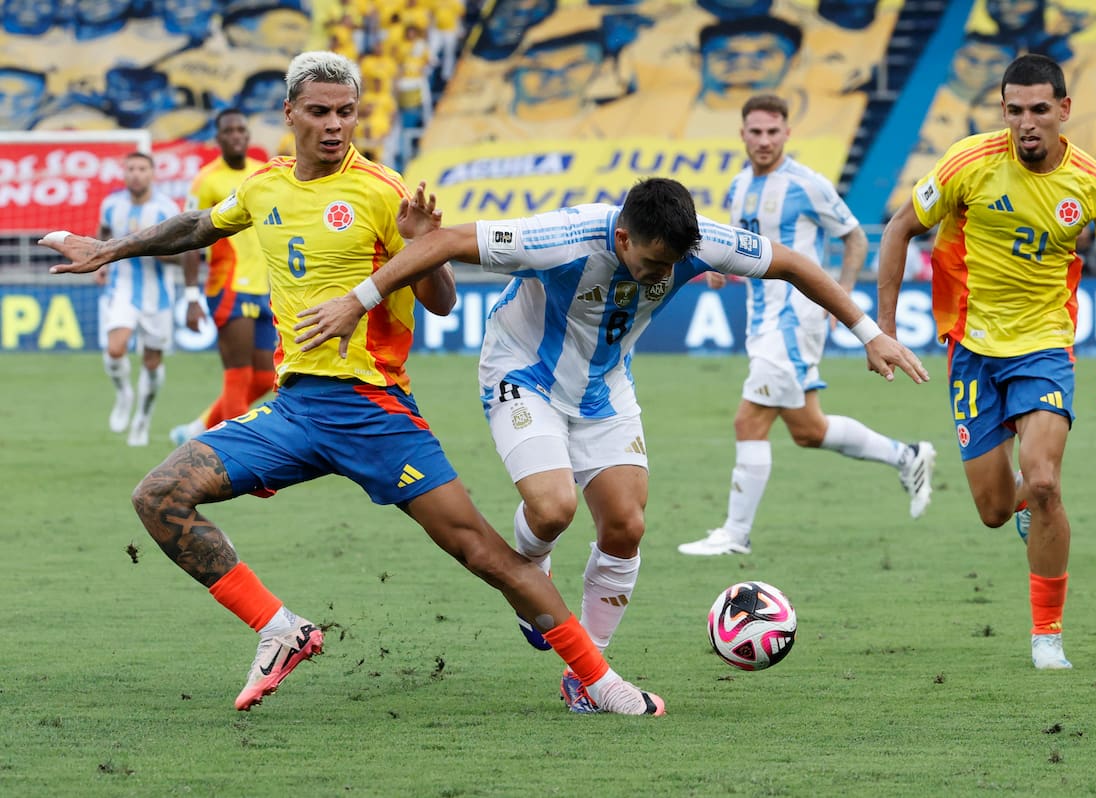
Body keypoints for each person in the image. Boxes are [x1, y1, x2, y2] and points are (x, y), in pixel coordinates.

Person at [40, 50, 665, 718]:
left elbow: (443, 300)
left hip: (376, 413)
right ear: (289, 114)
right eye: (319, 112)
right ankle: (279, 628)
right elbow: (200, 224)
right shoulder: (265, 185)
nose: (335, 125)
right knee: (159, 496)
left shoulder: (381, 190)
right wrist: (110, 247)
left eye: (346, 112)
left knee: (481, 552)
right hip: (294, 410)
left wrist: (424, 242)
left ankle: (599, 681)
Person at [292, 176, 930, 711]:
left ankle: (585, 676)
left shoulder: (698, 242)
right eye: (653, 263)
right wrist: (360, 298)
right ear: (622, 237)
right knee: (553, 510)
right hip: (524, 371)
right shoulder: (565, 234)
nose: (664, 274)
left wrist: (869, 332)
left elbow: (793, 264)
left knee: (625, 525)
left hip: (605, 386)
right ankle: (530, 568)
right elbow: (452, 241)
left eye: (672, 265)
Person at [875, 54, 1096, 670]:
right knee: (997, 511)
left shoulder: (1094, 185)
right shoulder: (967, 164)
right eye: (1014, 110)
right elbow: (897, 230)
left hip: (1046, 346)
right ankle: (1026, 512)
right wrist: (884, 332)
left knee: (1046, 481)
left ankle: (1047, 636)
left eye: (1039, 110)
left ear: (1063, 111)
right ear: (1003, 110)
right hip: (972, 350)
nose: (1026, 123)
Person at [678, 95, 936, 558]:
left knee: (749, 420)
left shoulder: (806, 184)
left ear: (786, 134)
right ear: (742, 134)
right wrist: (718, 267)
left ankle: (735, 534)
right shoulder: (738, 187)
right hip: (761, 320)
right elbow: (742, 246)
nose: (763, 140)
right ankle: (907, 455)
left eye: (772, 132)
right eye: (755, 132)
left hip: (794, 318)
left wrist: (839, 297)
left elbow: (855, 237)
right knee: (808, 430)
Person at [170, 109, 276, 446]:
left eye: (240, 130)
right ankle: (238, 454)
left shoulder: (262, 175)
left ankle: (198, 429)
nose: (235, 135)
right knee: (238, 374)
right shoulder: (206, 180)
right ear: (218, 139)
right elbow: (189, 240)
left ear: (248, 136)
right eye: (228, 131)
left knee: (265, 377)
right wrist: (190, 297)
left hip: (265, 287)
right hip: (228, 286)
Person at [96, 151, 182, 447]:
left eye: (141, 168)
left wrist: (144, 245)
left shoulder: (166, 209)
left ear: (152, 173)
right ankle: (123, 395)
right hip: (122, 287)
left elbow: (181, 256)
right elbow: (104, 234)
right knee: (115, 349)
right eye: (130, 168)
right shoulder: (111, 205)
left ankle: (143, 416)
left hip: (158, 294)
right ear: (124, 173)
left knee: (151, 361)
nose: (135, 174)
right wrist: (102, 264)